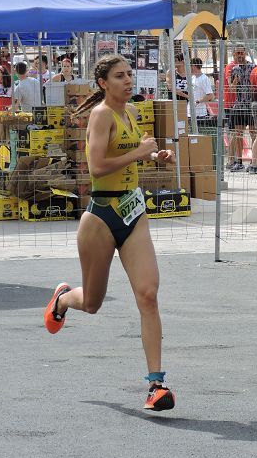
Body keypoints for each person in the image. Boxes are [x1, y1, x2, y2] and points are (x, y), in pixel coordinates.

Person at [43, 54, 177, 412]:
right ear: (103, 83)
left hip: (134, 212)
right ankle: (63, 299)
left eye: (130, 74)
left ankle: (156, 386)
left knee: (148, 295)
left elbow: (133, 155)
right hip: (101, 216)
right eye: (120, 76)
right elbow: (97, 168)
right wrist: (139, 152)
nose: (128, 81)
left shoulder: (131, 113)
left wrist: (155, 156)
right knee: (92, 304)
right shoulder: (100, 115)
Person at [226, 46, 253, 172]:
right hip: (239, 105)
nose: (240, 55)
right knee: (238, 134)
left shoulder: (253, 67)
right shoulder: (234, 69)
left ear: (246, 53)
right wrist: (235, 82)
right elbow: (231, 89)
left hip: (251, 105)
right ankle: (239, 161)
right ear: (234, 55)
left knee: (254, 133)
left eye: (242, 53)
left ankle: (254, 161)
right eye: (237, 53)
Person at [189, 57, 216, 127]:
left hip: (200, 114)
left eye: (190, 65)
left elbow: (210, 95)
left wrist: (197, 101)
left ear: (194, 66)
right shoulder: (192, 78)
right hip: (190, 112)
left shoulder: (204, 79)